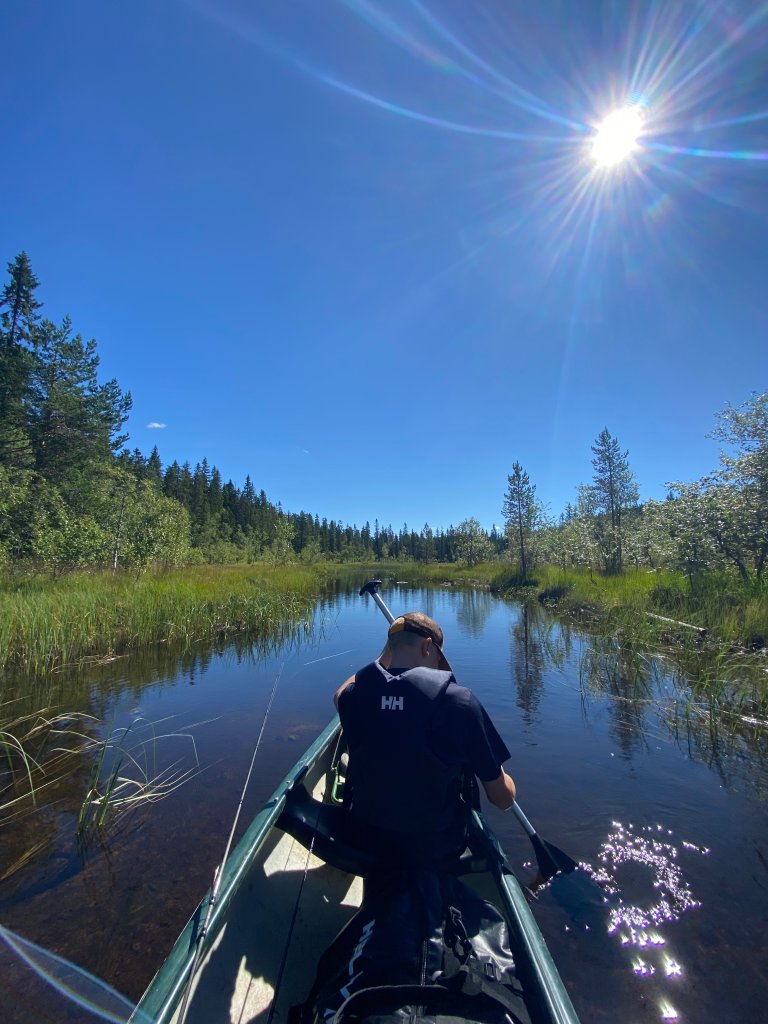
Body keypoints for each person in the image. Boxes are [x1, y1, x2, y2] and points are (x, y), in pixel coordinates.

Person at [334, 610, 516, 869]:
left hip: (363, 837)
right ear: (428, 646)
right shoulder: (459, 703)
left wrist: (388, 653)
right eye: (439, 657)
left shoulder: (355, 696)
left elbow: (340, 693)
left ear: (389, 649)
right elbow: (502, 800)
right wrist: (502, 776)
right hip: (435, 848)